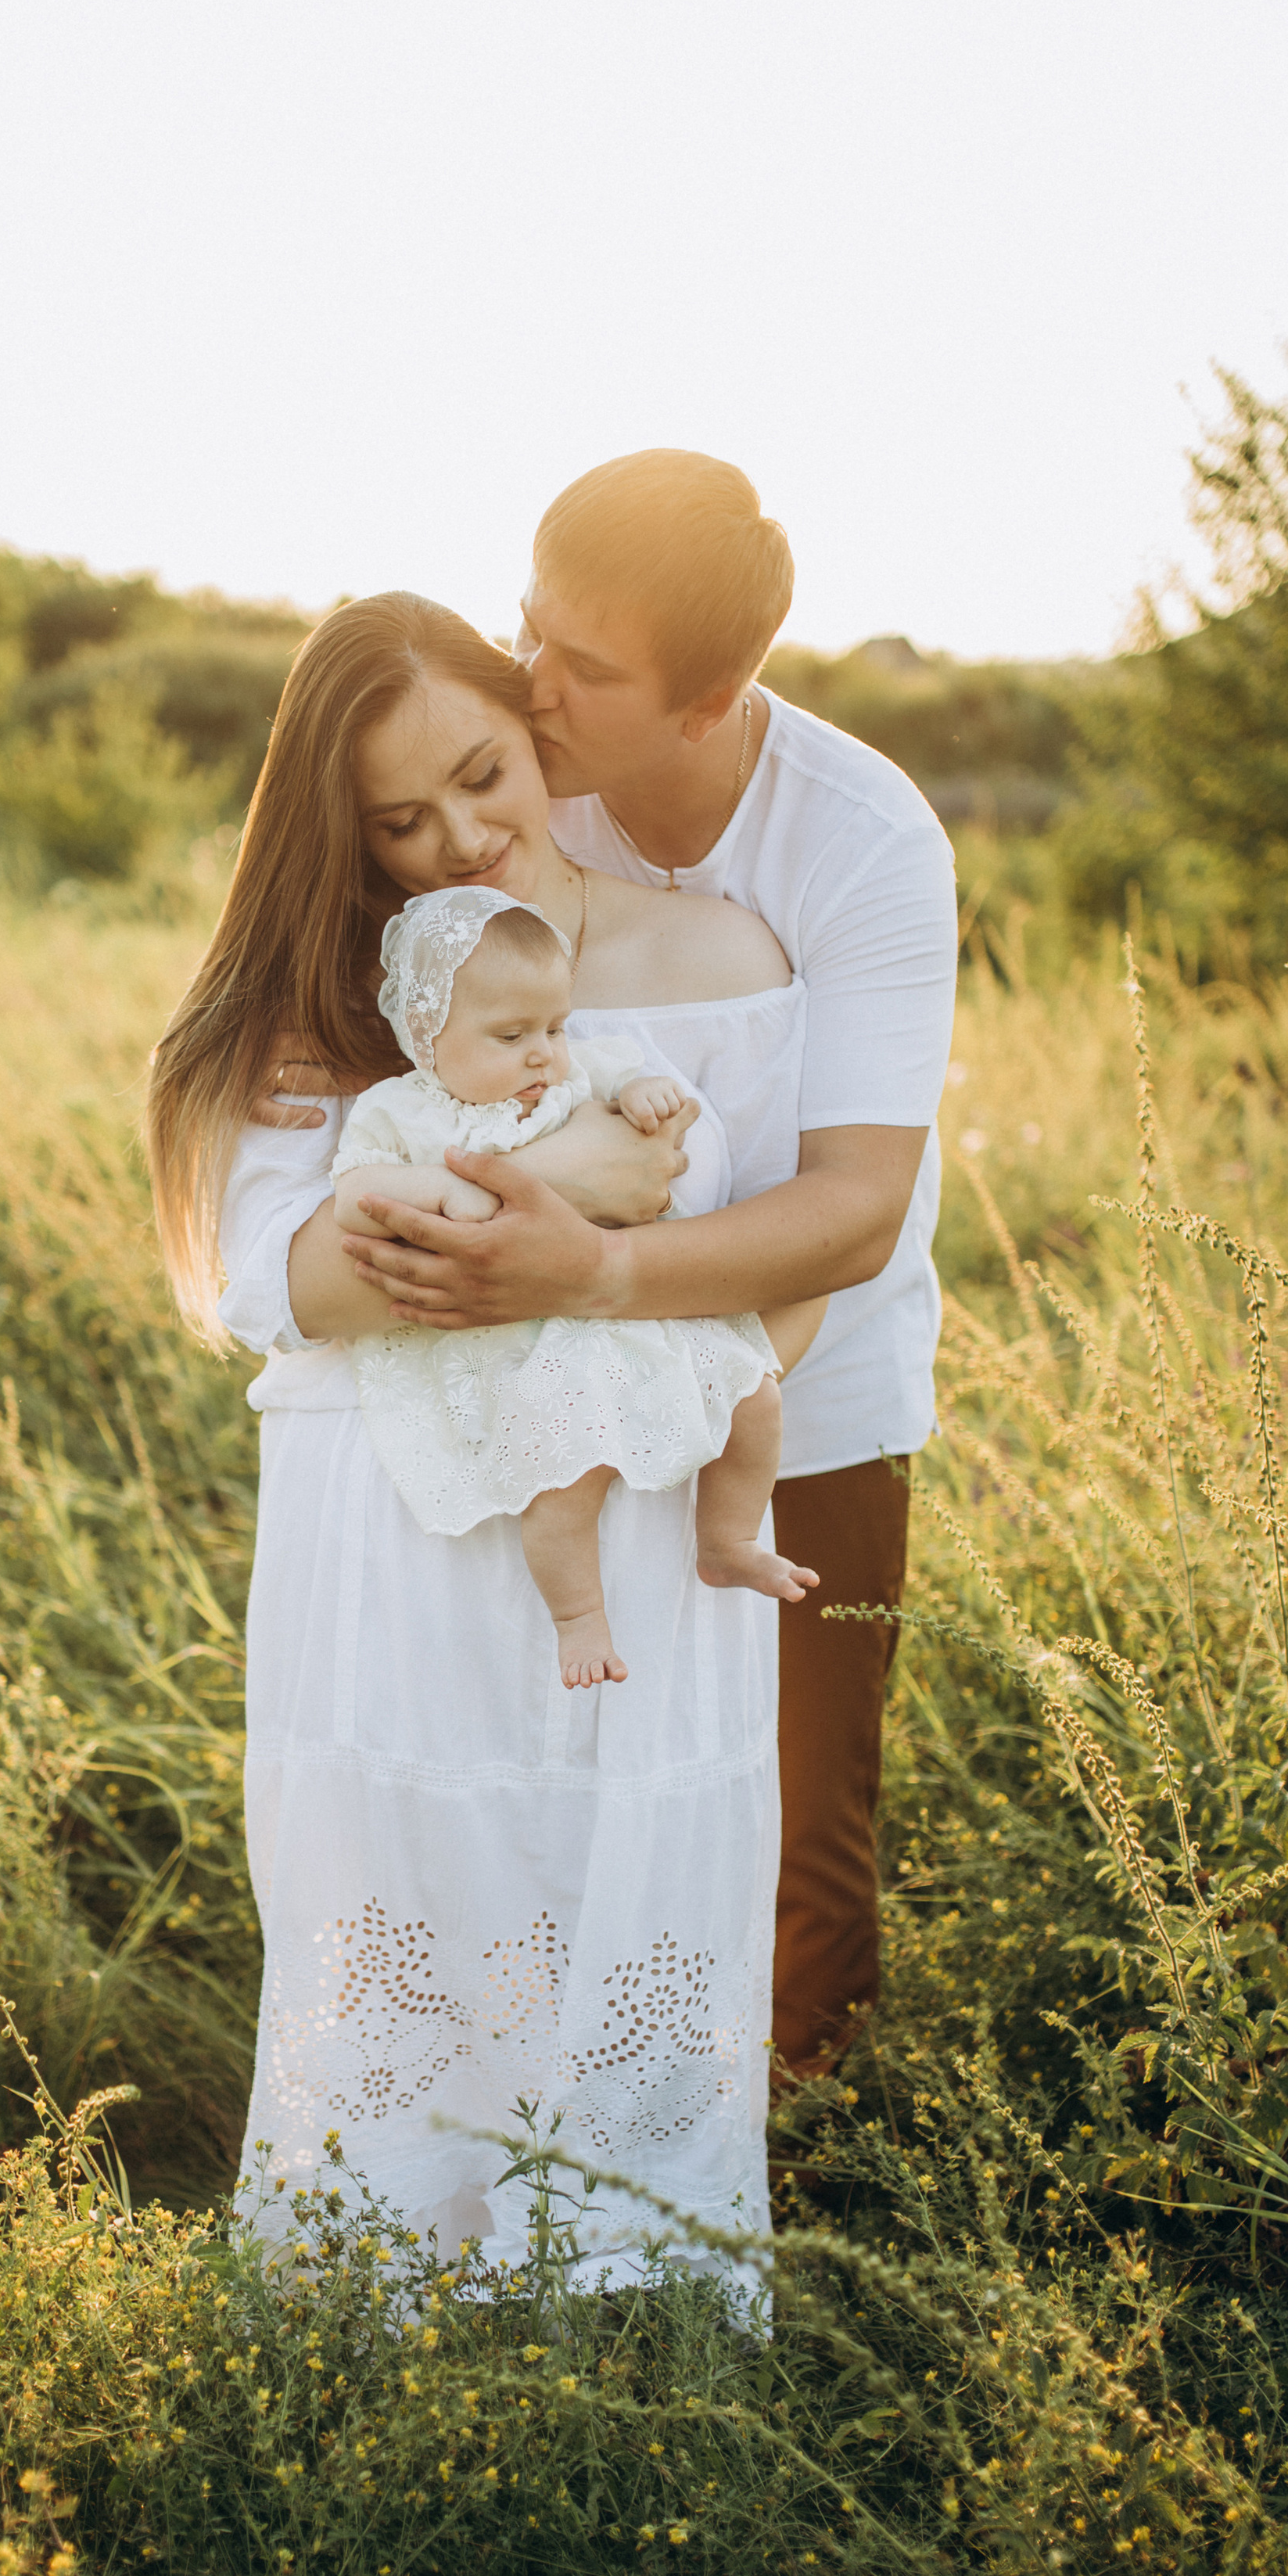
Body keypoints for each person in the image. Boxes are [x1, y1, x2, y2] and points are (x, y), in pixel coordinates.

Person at [145, 592, 811, 2280]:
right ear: (340, 834)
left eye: (480, 773)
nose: (457, 838)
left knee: (625, 1882)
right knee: (413, 1889)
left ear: (538, 727)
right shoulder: (317, 1007)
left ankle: (626, 2310)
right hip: (396, 1526)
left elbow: (806, 1246)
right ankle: (391, 2302)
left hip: (641, 1516)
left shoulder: (714, 957)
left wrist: (672, 1355)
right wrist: (564, 1192)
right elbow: (283, 1282)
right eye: (397, 820)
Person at [335, 454, 959, 2083]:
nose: (528, 689)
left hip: (802, 1383)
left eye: (581, 668)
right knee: (573, 1776)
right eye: (528, 627)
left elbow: (852, 1210)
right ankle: (568, 2115)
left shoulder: (862, 842)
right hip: (553, 1393)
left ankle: (788, 2166)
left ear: (711, 699)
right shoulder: (512, 796)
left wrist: (590, 1272)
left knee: (798, 1803)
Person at [333, 883, 820, 1687]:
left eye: (555, 1026)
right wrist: (445, 1191)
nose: (542, 1053)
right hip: (522, 1335)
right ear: (427, 1037)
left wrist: (639, 1095)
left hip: (623, 1309)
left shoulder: (576, 1074)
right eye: (511, 1034)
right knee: (565, 1476)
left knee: (753, 1396)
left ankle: (727, 1542)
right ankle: (577, 1617)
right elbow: (354, 1194)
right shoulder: (405, 1113)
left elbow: (625, 1084)